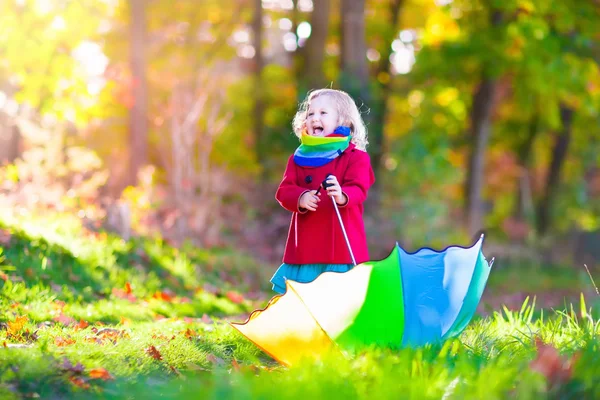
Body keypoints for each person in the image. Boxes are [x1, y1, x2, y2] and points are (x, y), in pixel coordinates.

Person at [270, 88, 376, 294]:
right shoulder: (299, 158)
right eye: (310, 113)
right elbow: (284, 190)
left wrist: (342, 194)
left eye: (323, 113)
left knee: (340, 295)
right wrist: (300, 197)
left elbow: (359, 188)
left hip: (341, 248)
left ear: (343, 121)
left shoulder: (356, 157)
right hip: (307, 247)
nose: (314, 118)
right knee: (305, 294)